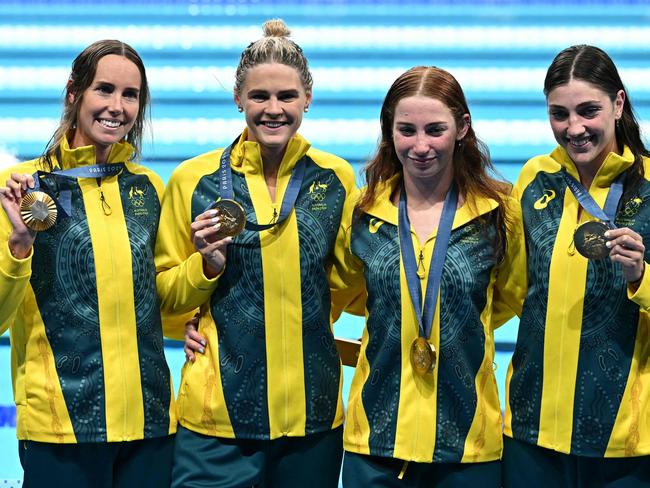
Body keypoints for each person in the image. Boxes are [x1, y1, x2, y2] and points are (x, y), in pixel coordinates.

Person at [154, 19, 356, 488]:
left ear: (308, 97)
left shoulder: (335, 177)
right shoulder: (194, 180)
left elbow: (348, 282)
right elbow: (162, 293)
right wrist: (204, 270)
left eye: (286, 97)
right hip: (216, 421)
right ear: (238, 99)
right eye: (260, 97)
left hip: (313, 415)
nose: (273, 109)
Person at [0, 40, 175, 487]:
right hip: (60, 425)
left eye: (130, 95)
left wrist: (208, 271)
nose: (117, 107)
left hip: (148, 422)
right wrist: (19, 247)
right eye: (104, 90)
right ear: (74, 93)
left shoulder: (148, 188)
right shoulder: (20, 189)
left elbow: (166, 298)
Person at [328, 66, 513, 487]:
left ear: (462, 127)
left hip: (469, 446)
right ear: (389, 132)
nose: (421, 145)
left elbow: (517, 297)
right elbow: (326, 299)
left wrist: (454, 322)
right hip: (374, 444)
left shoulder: (501, 213)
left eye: (435, 130)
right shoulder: (362, 213)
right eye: (407, 130)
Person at [502, 44, 650, 487]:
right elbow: (510, 289)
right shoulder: (534, 177)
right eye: (559, 115)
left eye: (588, 111)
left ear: (618, 103)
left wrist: (641, 276)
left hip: (625, 434)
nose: (574, 128)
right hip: (533, 424)